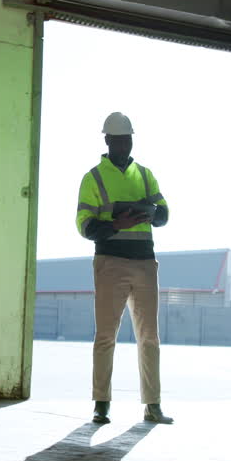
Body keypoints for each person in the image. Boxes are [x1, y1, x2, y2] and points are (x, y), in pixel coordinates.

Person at [75, 112, 173, 425]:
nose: (124, 144)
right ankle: (101, 404)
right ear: (107, 141)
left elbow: (165, 214)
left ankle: (153, 405)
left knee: (150, 338)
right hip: (110, 262)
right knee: (106, 336)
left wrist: (151, 213)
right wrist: (117, 223)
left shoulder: (145, 175)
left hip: (145, 262)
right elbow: (85, 226)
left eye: (128, 139)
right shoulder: (94, 178)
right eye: (118, 139)